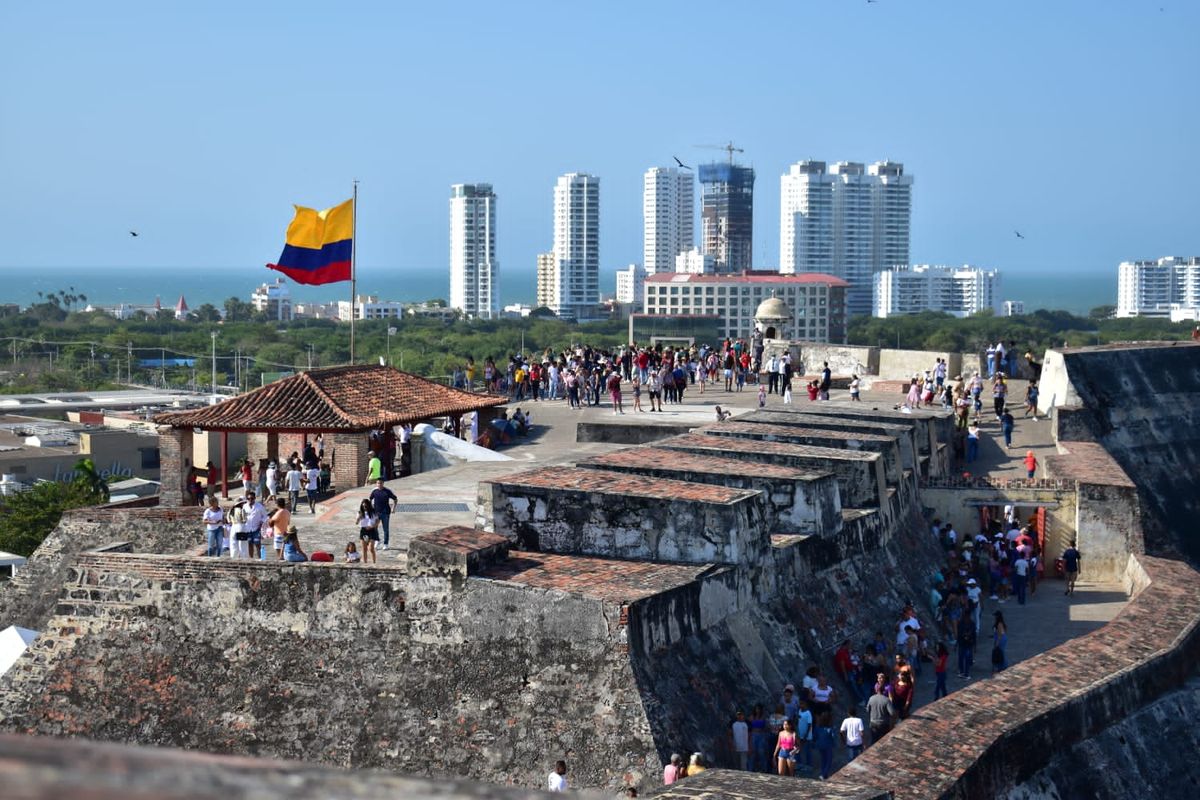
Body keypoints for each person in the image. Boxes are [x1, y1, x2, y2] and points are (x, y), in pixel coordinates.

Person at [369, 478, 398, 551]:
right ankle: (377, 540)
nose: (379, 485)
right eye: (378, 483)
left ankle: (386, 544)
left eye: (380, 483)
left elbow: (395, 499)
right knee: (374, 528)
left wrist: (393, 508)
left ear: (383, 483)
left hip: (385, 513)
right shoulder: (374, 491)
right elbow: (370, 499)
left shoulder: (387, 491)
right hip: (376, 513)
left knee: (385, 529)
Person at [357, 499, 379, 564]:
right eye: (363, 506)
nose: (364, 507)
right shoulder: (360, 512)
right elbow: (356, 522)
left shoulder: (373, 512)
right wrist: (359, 517)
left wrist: (373, 526)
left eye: (366, 506)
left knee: (371, 548)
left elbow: (377, 521)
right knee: (364, 549)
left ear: (368, 505)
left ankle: (374, 563)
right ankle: (365, 564)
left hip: (372, 530)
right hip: (363, 531)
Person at [268, 497, 291, 561]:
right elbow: (288, 523)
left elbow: (270, 523)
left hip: (279, 534)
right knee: (284, 552)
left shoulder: (279, 512)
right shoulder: (287, 512)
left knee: (279, 554)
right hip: (285, 533)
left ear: (277, 504)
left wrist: (271, 517)